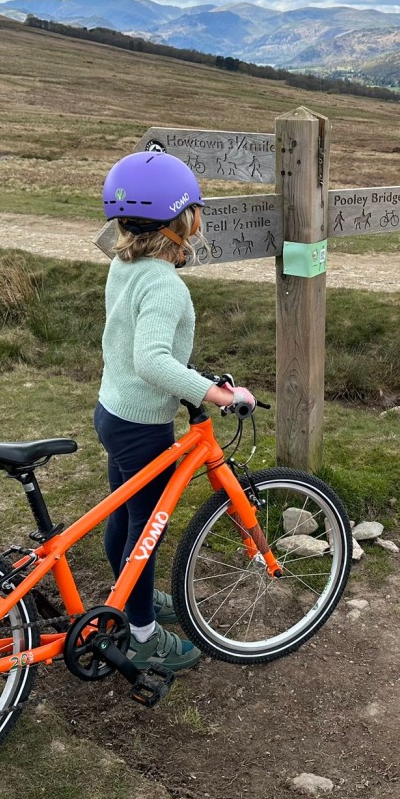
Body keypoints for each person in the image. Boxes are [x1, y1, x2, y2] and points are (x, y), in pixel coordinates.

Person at [94, 151, 255, 671]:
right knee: (147, 533)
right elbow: (152, 361)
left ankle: (125, 597)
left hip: (112, 411)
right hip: (142, 425)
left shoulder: (126, 265)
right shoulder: (165, 283)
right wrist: (220, 394)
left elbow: (139, 346)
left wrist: (193, 377)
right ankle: (141, 633)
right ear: (185, 220)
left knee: (123, 513)